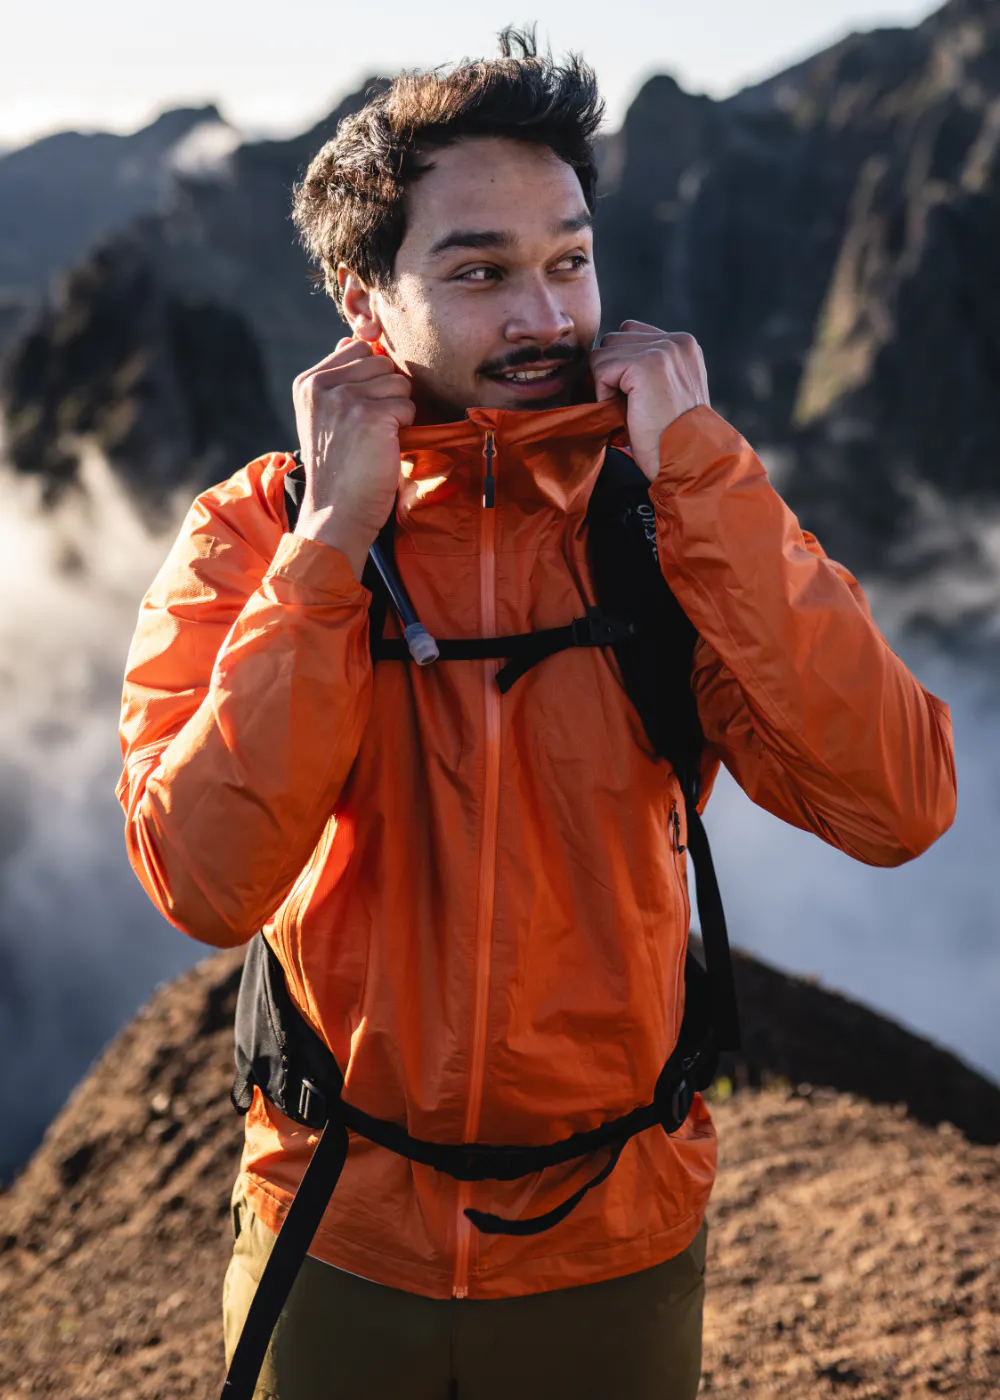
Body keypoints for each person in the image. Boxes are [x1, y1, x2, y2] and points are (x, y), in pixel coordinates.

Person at [116, 28, 957, 1400]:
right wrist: (332, 541)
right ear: (362, 301)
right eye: (480, 272)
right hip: (337, 1231)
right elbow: (203, 880)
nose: (545, 316)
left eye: (569, 260)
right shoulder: (255, 534)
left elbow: (898, 802)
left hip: (608, 1247)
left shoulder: (668, 519)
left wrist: (701, 472)